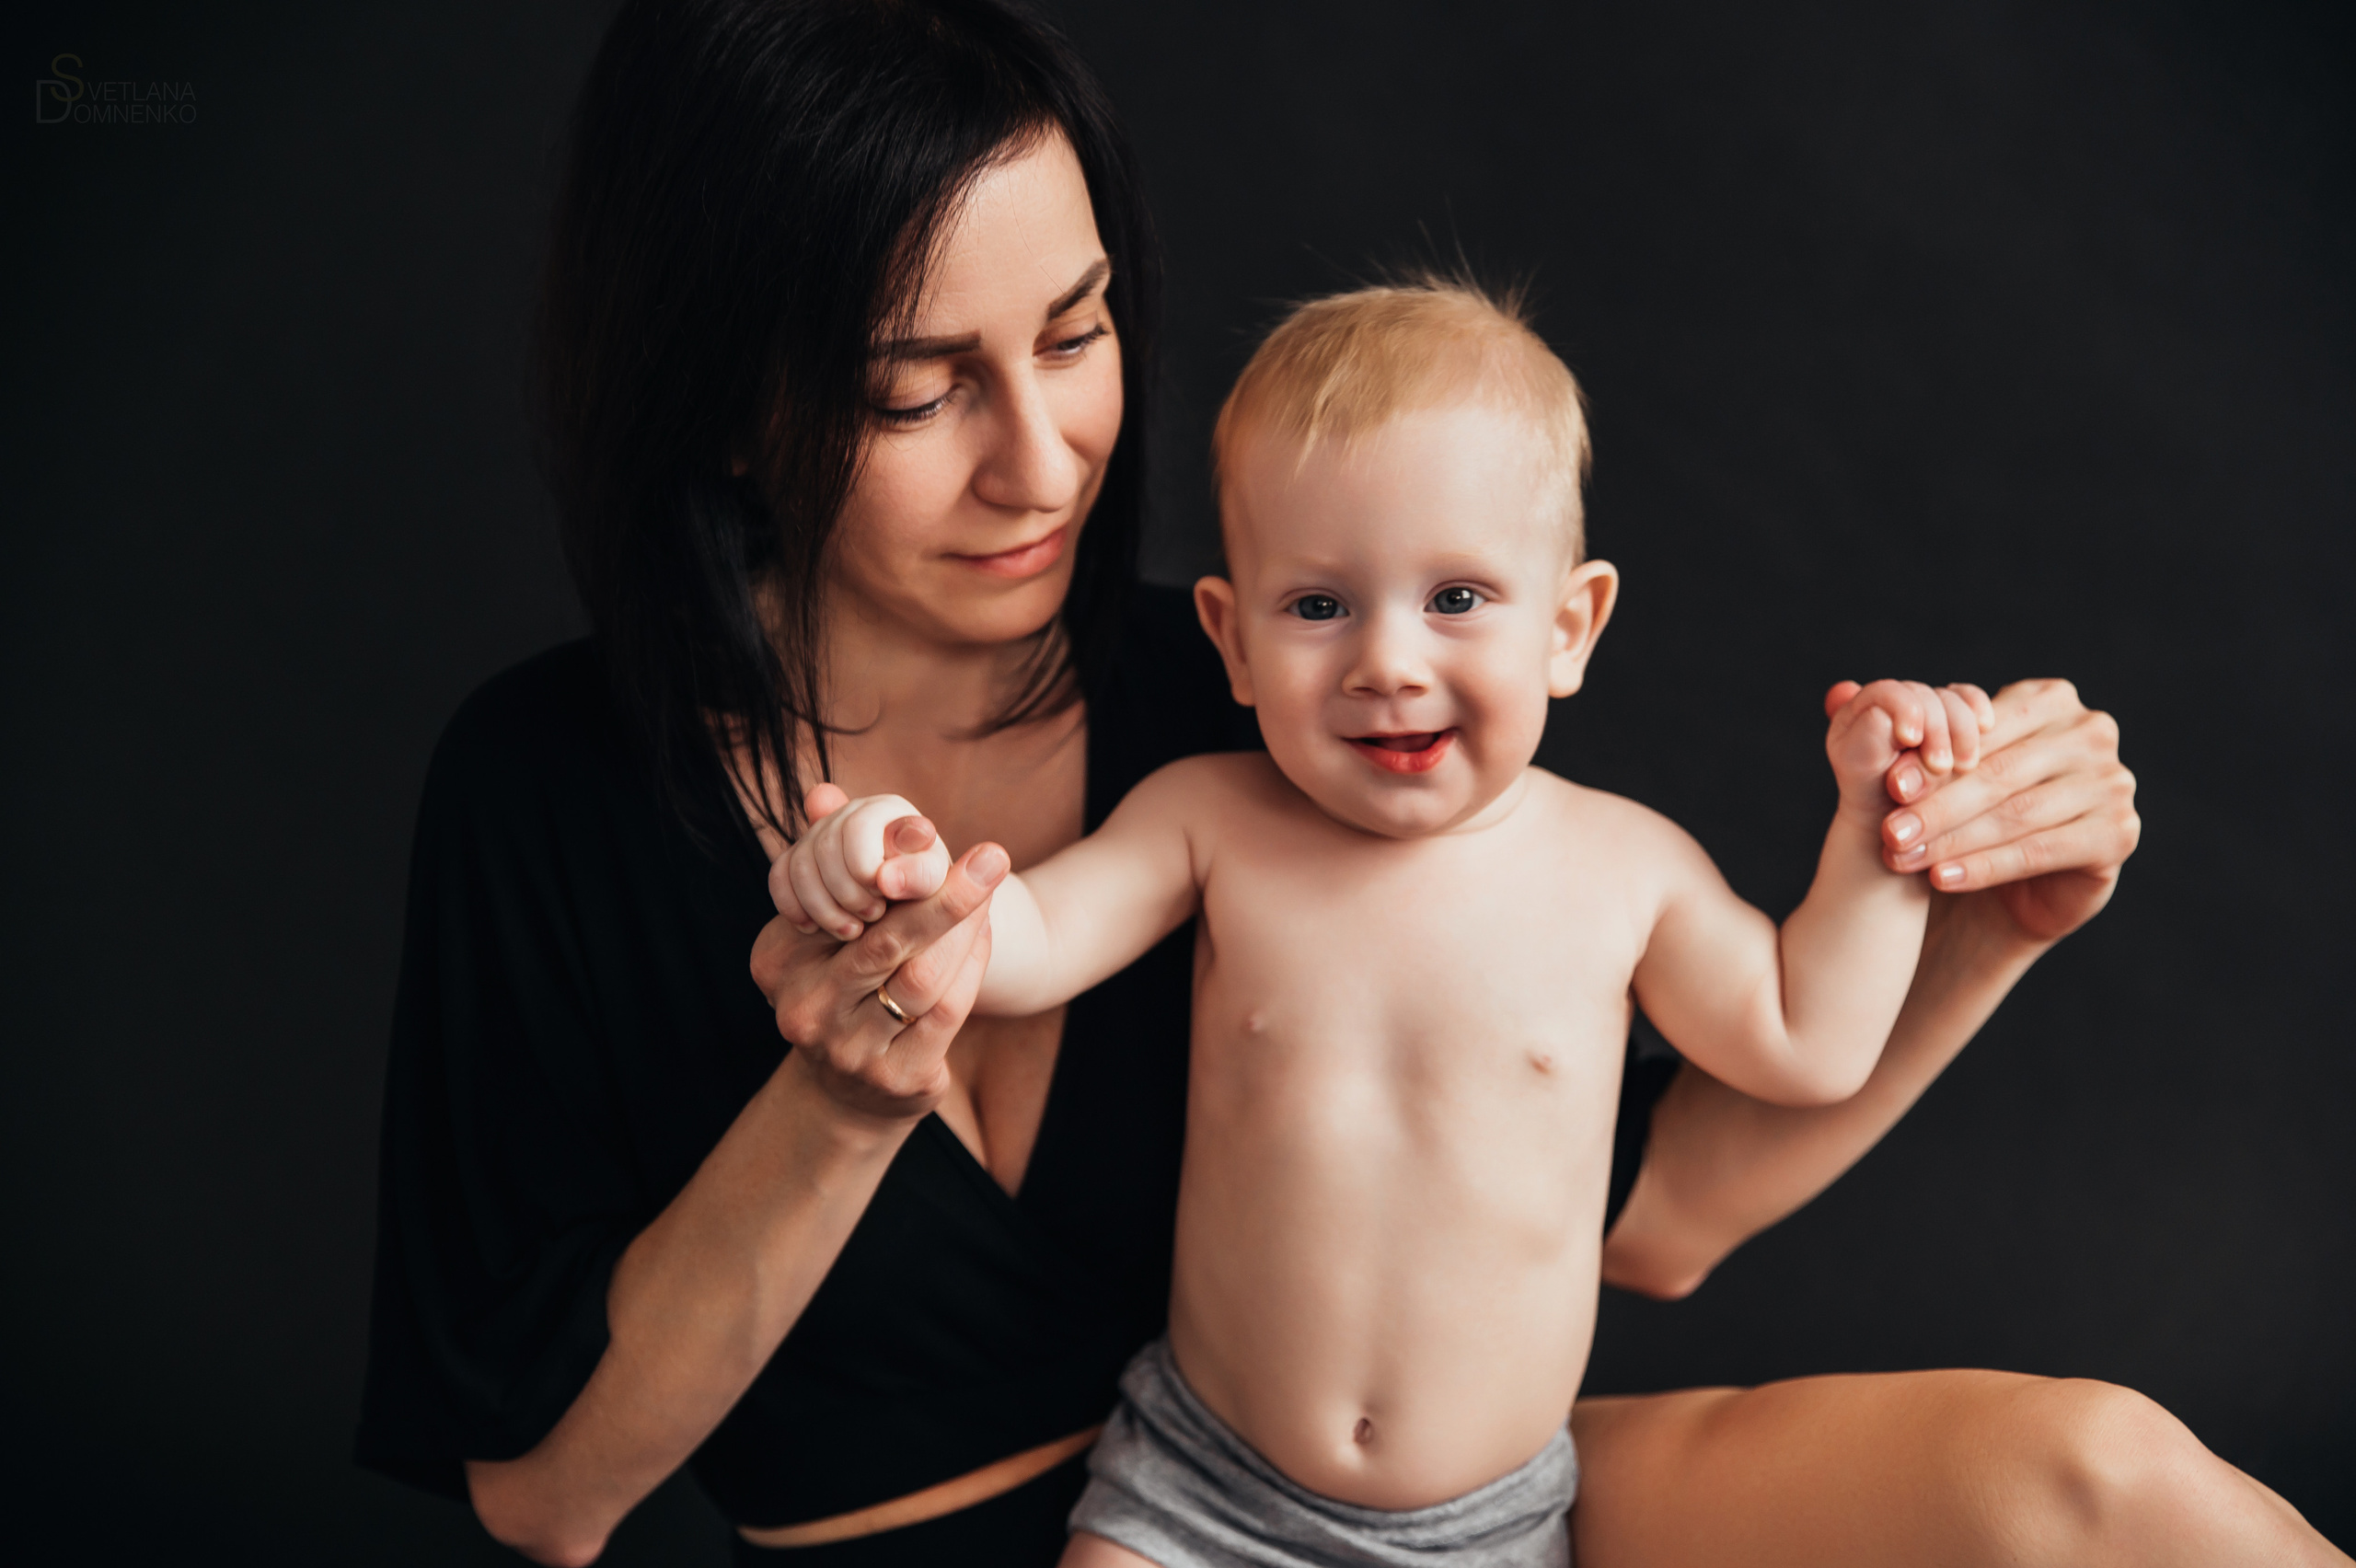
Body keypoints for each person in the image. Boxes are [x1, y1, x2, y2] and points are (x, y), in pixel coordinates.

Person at [354, 2, 2332, 1565]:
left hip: (1452, 1515)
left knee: (2104, 1487)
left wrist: (1977, 916)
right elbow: (547, 1497)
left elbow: (1650, 1214)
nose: (1041, 459)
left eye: (1076, 332)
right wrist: (840, 1100)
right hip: (1135, 1521)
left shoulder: (1268, 700)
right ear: (725, 401)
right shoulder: (550, 796)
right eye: (913, 388)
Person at [769, 276, 2008, 1568]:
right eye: (1318, 607)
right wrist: (901, 867)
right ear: (1231, 641)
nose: (1389, 665)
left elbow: (1810, 1043)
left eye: (1457, 598)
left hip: (1484, 1527)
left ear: (1569, 627)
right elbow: (1024, 945)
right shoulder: (1210, 820)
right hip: (1197, 1487)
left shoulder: (1625, 872)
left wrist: (1880, 831)